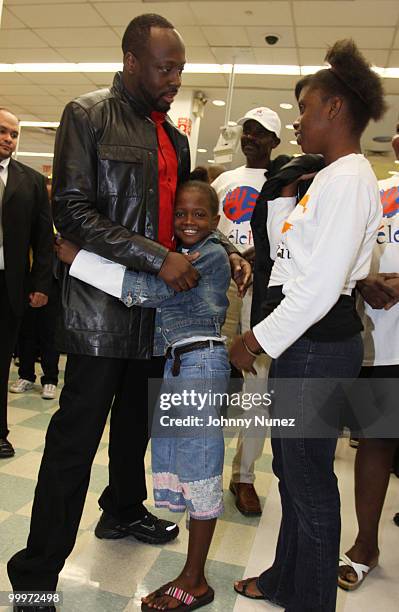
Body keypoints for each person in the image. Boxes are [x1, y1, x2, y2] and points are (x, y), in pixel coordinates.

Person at [7, 14, 250, 609]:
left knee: (134, 432)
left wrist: (227, 249)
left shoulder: (173, 134)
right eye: (166, 68)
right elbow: (73, 211)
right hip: (101, 316)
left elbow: (187, 221)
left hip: (159, 320)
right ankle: (36, 575)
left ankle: (121, 510)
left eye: (181, 71)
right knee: (73, 443)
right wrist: (157, 257)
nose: (175, 79)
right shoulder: (87, 114)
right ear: (131, 60)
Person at [231, 39, 386, 612]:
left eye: (304, 108)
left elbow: (317, 291)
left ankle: (311, 600)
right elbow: (290, 259)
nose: (297, 121)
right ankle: (284, 580)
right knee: (296, 475)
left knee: (309, 480)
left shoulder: (347, 180)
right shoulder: (332, 177)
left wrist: (253, 340)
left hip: (316, 348)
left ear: (334, 110)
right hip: (309, 347)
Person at [56, 180, 231, 612]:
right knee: (188, 468)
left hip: (199, 366)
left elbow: (148, 291)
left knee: (201, 470)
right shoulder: (194, 249)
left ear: (215, 219)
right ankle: (192, 571)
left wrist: (81, 260)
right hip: (179, 365)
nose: (189, 222)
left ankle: (196, 580)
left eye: (200, 215)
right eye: (182, 214)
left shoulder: (207, 255)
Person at [211, 107, 288, 516]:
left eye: (260, 133)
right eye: (247, 131)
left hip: (262, 290)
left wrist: (258, 257)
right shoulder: (225, 181)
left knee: (257, 386)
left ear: (276, 142)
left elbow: (290, 238)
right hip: (219, 286)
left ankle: (243, 477)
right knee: (208, 375)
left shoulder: (284, 184)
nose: (250, 138)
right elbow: (208, 228)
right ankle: (202, 469)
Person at [338, 126, 399, 590]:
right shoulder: (375, 190)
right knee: (376, 441)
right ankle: (366, 545)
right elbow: (345, 251)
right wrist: (363, 281)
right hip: (381, 341)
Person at [0, 107, 53, 459]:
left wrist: (41, 284)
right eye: (3, 131)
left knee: (1, 359)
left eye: (14, 134)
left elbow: (42, 239)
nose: (8, 139)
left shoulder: (30, 180)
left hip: (9, 285)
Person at [10, 177, 60, 401]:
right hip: (26, 282)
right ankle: (26, 375)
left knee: (50, 333)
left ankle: (50, 379)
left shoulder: (63, 221)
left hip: (54, 284)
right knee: (26, 332)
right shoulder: (28, 218)